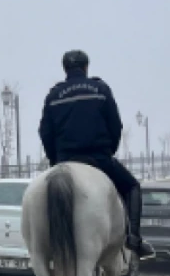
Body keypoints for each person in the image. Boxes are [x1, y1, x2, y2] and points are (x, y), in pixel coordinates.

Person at [38, 50, 156, 260]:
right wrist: (108, 152)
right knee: (132, 187)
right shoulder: (100, 89)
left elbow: (45, 132)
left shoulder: (53, 95)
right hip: (98, 159)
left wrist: (55, 160)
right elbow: (115, 126)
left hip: (64, 160)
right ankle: (134, 239)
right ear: (86, 68)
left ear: (65, 69)